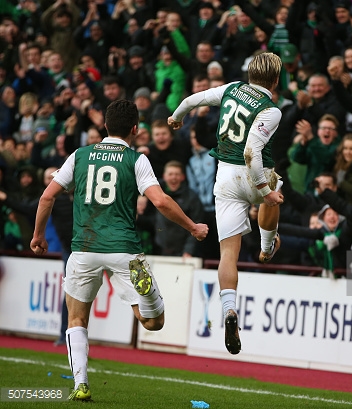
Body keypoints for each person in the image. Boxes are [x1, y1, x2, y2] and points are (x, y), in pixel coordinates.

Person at [29, 99, 209, 401]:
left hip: (84, 248)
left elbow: (47, 197)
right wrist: (193, 227)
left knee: (76, 320)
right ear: (136, 129)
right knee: (154, 322)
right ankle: (148, 293)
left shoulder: (80, 155)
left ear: (104, 126)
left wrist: (38, 235)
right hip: (124, 248)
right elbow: (161, 201)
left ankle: (81, 384)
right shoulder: (136, 160)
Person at [168, 52, 285, 355]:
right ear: (275, 80)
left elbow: (195, 99)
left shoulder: (231, 88)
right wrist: (264, 189)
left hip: (224, 179)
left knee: (227, 254)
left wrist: (177, 117)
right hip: (253, 173)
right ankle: (267, 244)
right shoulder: (272, 110)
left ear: (249, 74)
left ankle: (229, 310)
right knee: (276, 190)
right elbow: (251, 152)